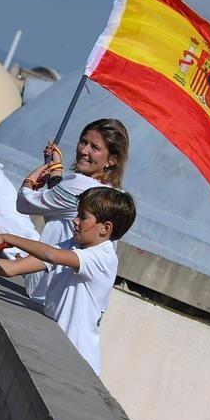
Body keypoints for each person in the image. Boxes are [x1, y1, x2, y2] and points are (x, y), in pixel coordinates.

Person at [0, 187, 135, 375]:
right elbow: (13, 268)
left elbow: (52, 256)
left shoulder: (103, 257)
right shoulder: (74, 245)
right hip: (55, 350)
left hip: (76, 362)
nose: (74, 221)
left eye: (83, 217)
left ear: (105, 228)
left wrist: (8, 238)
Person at [17, 118, 130, 304]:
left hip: (45, 293)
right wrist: (56, 170)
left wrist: (31, 180)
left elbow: (24, 203)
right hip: (74, 299)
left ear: (112, 159)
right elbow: (62, 207)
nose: (84, 151)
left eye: (95, 147)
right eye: (83, 142)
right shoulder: (115, 196)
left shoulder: (78, 184)